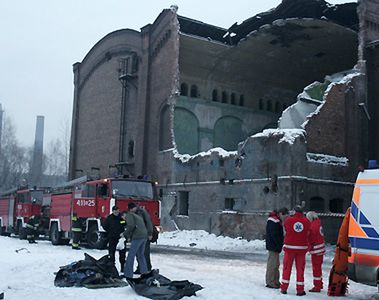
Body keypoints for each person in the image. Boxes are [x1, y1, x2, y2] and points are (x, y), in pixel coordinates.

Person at [280, 206, 311, 296]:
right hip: (301, 248)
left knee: (287, 268)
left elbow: (286, 229)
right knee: (300, 270)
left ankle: (284, 288)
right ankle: (300, 290)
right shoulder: (306, 221)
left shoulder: (288, 220)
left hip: (289, 248)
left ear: (294, 211)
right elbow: (308, 232)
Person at [122, 202, 150, 279]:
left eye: (123, 217)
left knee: (131, 255)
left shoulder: (129, 215)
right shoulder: (137, 216)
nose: (123, 219)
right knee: (141, 255)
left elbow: (131, 226)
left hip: (138, 237)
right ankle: (144, 273)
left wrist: (124, 234)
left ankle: (128, 274)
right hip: (144, 236)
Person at [265, 207, 289, 289]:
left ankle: (275, 281)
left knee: (276, 264)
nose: (285, 219)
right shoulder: (273, 220)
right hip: (273, 246)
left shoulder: (276, 220)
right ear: (281, 214)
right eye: (285, 216)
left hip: (275, 246)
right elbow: (275, 235)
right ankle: (271, 282)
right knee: (272, 265)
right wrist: (279, 245)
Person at [306, 211, 325, 293]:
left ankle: (317, 286)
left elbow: (311, 238)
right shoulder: (318, 223)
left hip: (316, 249)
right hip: (321, 248)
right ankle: (320, 283)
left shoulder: (313, 225)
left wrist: (309, 247)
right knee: (319, 268)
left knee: (316, 268)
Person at [134, 204, 154, 274]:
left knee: (145, 252)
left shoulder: (143, 213)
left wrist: (150, 233)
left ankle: (147, 268)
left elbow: (149, 223)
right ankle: (140, 268)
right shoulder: (134, 213)